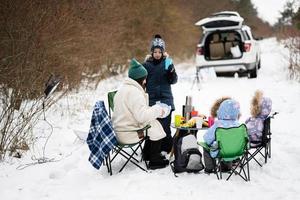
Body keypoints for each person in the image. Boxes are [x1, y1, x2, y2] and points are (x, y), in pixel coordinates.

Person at [112, 58, 170, 170]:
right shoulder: (135, 92)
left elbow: (134, 112)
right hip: (129, 134)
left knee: (151, 123)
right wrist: (158, 109)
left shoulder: (122, 90)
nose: (146, 81)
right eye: (145, 79)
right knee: (154, 124)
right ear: (142, 79)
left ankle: (148, 154)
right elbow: (141, 117)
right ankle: (154, 160)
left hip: (118, 131)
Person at [143, 34, 178, 154]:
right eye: (155, 51)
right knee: (153, 126)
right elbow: (142, 82)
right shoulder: (146, 65)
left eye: (160, 51)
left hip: (166, 99)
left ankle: (167, 148)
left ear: (163, 52)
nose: (157, 54)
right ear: (152, 52)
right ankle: (151, 150)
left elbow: (173, 81)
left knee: (165, 126)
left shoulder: (167, 63)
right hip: (152, 100)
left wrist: (171, 72)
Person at [202, 99, 241, 173]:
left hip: (221, 152)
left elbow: (207, 139)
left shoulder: (218, 124)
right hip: (236, 152)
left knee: (207, 147)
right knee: (228, 145)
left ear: (221, 111)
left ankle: (210, 168)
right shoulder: (238, 125)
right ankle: (226, 167)